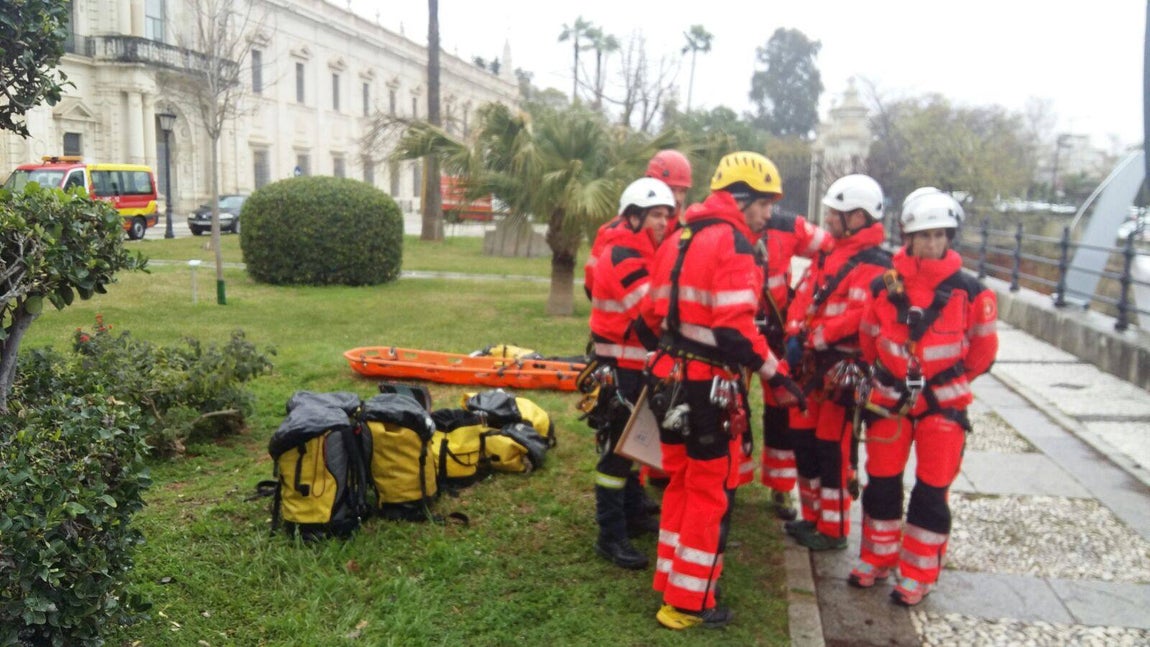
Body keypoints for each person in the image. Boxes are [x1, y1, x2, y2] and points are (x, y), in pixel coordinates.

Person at [632, 151, 803, 630]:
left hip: (667, 379)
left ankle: (671, 580)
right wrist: (778, 376)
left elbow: (647, 319)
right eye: (764, 203)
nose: (769, 214)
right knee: (710, 491)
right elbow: (735, 332)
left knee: (680, 482)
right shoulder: (735, 245)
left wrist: (675, 350)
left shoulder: (678, 237)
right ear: (741, 198)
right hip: (707, 388)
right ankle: (689, 603)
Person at [849, 189, 998, 606]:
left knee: (932, 491)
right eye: (924, 235)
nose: (933, 243)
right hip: (889, 400)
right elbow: (869, 340)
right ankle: (876, 558)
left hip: (942, 406)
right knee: (881, 483)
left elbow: (983, 352)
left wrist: (943, 383)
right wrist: (893, 377)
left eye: (940, 235)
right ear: (908, 238)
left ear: (950, 237)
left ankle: (918, 573)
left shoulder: (972, 292)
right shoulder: (884, 287)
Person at [783, 174, 891, 551]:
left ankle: (834, 529)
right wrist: (795, 330)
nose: (827, 218)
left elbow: (862, 314)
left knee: (833, 448)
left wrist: (818, 335)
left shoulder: (876, 265)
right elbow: (804, 294)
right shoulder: (829, 253)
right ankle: (812, 516)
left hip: (843, 368)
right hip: (813, 363)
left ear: (858, 217)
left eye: (834, 213)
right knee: (804, 440)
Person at [587, 177, 677, 570]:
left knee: (633, 445)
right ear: (635, 216)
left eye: (667, 216)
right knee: (617, 453)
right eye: (656, 215)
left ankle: (632, 516)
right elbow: (649, 312)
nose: (663, 223)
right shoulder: (624, 253)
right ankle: (610, 535)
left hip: (634, 364)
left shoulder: (643, 251)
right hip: (620, 367)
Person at [746, 210, 834, 519]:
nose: (764, 210)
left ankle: (780, 486)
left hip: (776, 328)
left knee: (780, 407)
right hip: (736, 326)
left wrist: (808, 292)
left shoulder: (789, 226)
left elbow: (832, 247)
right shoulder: (729, 225)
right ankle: (726, 478)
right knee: (729, 403)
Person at [584, 150, 692, 300]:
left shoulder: (684, 229)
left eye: (683, 191)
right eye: (672, 189)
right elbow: (592, 284)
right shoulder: (616, 231)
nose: (678, 198)